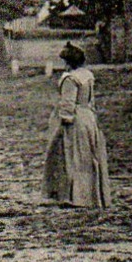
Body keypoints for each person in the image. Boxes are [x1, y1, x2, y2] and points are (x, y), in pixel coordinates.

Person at [42, 44, 111, 208]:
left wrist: (64, 120)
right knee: (88, 157)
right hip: (88, 117)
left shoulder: (70, 79)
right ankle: (91, 195)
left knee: (73, 156)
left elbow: (68, 103)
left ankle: (76, 197)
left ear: (68, 62)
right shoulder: (87, 75)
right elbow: (90, 100)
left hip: (75, 120)